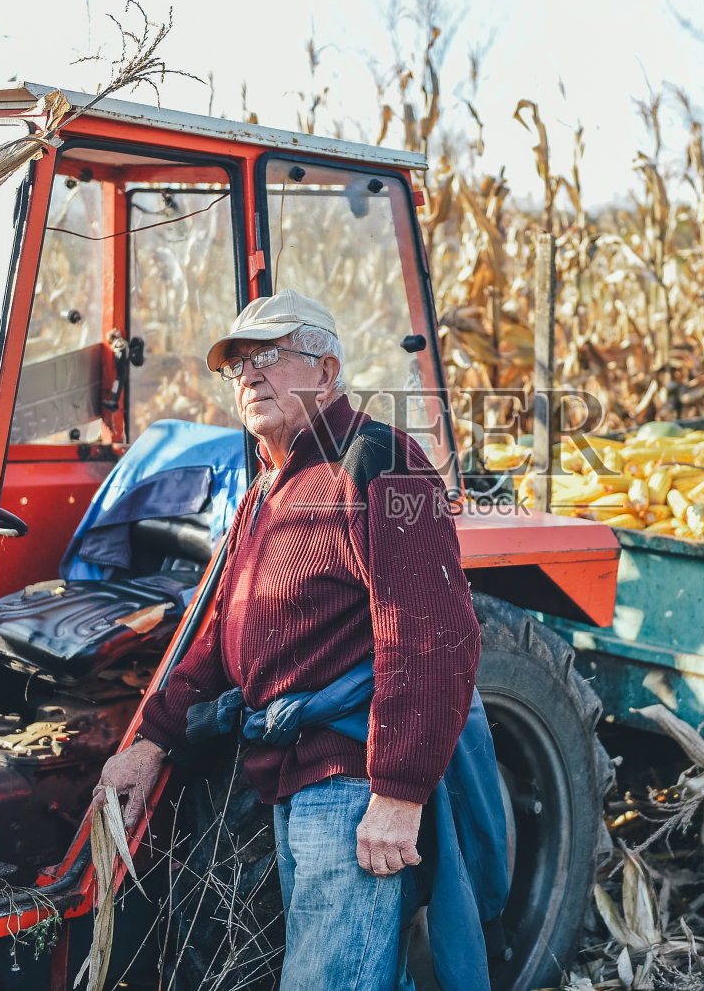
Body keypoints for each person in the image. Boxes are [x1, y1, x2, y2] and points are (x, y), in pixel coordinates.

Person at [94, 289, 492, 991]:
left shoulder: (378, 460)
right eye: (239, 364)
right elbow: (221, 634)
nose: (249, 375)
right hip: (284, 771)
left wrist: (398, 793)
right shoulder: (267, 488)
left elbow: (432, 635)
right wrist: (151, 744)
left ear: (327, 370)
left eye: (270, 356)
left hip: (349, 778)